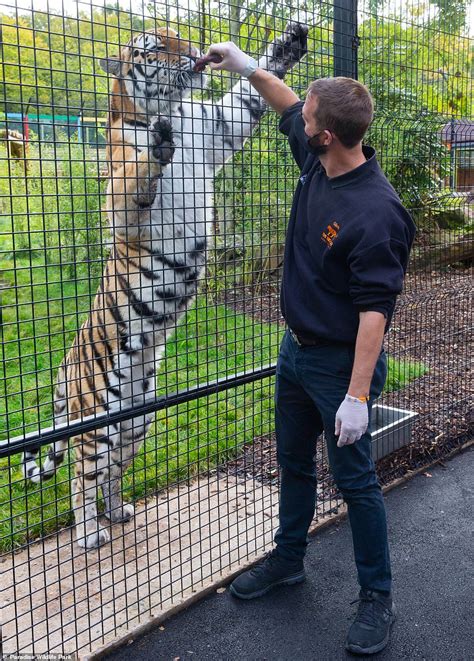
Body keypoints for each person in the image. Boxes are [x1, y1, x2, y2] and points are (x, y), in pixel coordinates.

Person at [204, 40, 415, 656]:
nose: (300, 118)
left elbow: (376, 312)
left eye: (309, 118)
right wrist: (245, 66)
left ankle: (377, 597)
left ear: (328, 135)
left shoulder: (377, 213)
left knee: (357, 483)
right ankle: (288, 560)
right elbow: (287, 100)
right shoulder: (317, 161)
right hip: (295, 354)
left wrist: (355, 397)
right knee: (293, 464)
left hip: (339, 366)